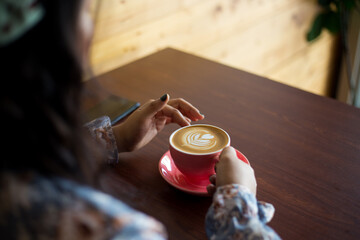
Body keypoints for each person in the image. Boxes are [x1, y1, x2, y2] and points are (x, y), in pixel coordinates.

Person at [0, 0, 281, 239]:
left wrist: (113, 139)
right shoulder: (120, 231)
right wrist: (237, 206)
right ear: (52, 43)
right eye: (84, 10)